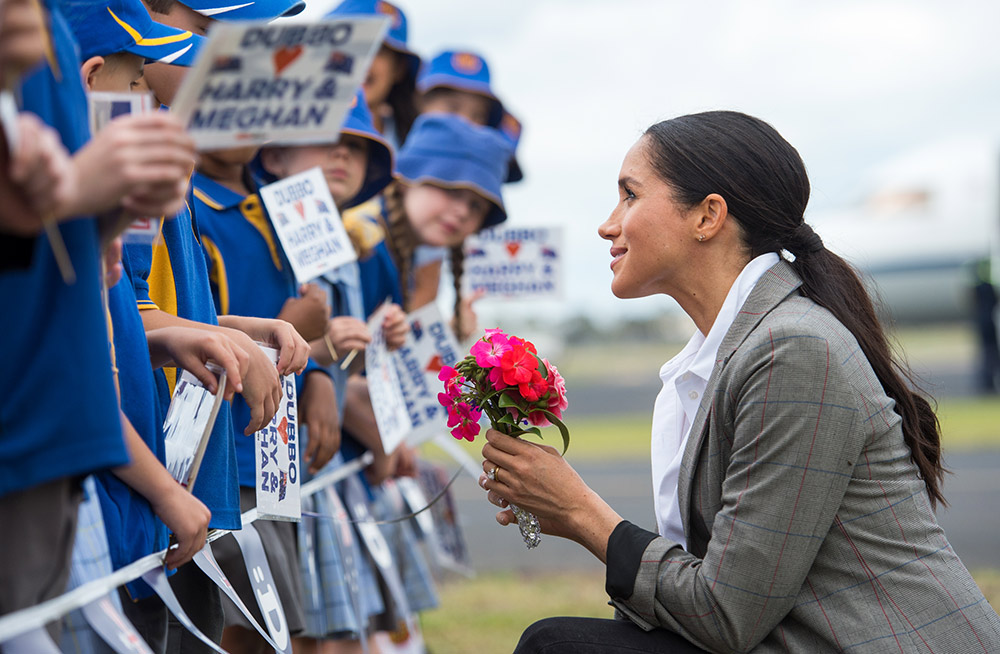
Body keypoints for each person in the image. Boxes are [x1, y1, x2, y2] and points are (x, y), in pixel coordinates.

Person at [479, 110, 1000, 654]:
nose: (609, 224)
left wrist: (581, 514)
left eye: (630, 195)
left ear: (708, 216)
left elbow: (725, 614)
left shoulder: (791, 350)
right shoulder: (726, 356)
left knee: (557, 646)